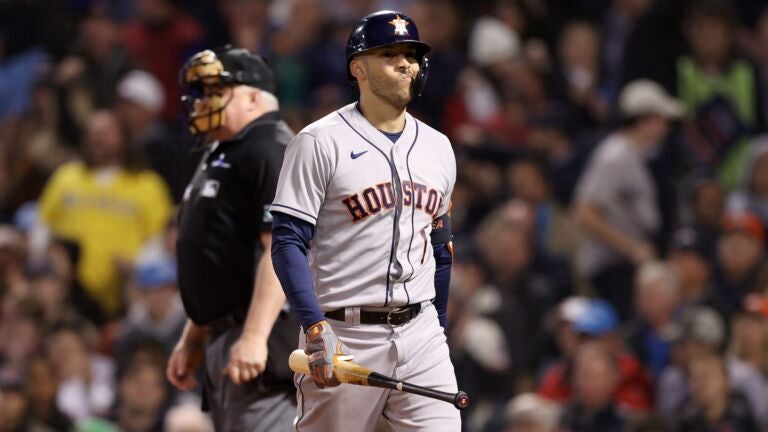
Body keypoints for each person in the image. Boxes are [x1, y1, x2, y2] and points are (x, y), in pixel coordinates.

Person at [271, 10, 460, 430]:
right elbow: (286, 242)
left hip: (421, 331)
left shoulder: (439, 148)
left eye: (411, 54)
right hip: (343, 332)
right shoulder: (319, 142)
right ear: (358, 68)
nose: (405, 63)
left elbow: (440, 249)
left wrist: (439, 330)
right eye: (389, 53)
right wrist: (314, 326)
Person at [165, 46, 298, 431]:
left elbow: (284, 248)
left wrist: (255, 336)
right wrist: (195, 333)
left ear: (255, 97)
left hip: (266, 338)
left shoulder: (270, 147)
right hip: (230, 333)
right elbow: (221, 253)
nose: (203, 102)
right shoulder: (228, 151)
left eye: (216, 91)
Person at [572, 79, 683, 320]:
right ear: (645, 120)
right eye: (661, 119)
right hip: (611, 267)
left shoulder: (638, 155)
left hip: (626, 264)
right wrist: (632, 249)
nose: (666, 127)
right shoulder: (614, 156)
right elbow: (584, 212)